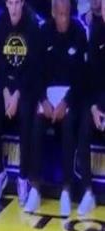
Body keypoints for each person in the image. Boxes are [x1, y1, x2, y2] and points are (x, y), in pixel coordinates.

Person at [25, 0, 86, 216]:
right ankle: (35, 187)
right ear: (53, 13)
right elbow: (35, 73)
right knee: (36, 122)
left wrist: (66, 102)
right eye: (60, 14)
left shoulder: (79, 33)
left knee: (69, 125)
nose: (64, 19)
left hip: (69, 97)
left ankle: (66, 190)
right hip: (48, 96)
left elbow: (82, 78)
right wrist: (43, 100)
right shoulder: (42, 33)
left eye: (67, 14)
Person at [0, 0, 40, 206]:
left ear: (23, 3)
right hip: (5, 84)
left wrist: (16, 95)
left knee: (26, 114)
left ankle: (23, 177)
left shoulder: (32, 23)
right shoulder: (1, 22)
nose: (14, 8)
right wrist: (5, 92)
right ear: (6, 5)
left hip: (26, 86)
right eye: (10, 3)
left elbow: (33, 67)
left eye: (17, 3)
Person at [75, 0, 105, 217]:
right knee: (84, 124)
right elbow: (91, 77)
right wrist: (94, 107)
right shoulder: (96, 33)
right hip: (98, 100)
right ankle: (87, 192)